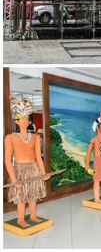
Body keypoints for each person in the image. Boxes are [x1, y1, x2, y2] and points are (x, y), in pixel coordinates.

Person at [4, 97, 51, 228]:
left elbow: (38, 157)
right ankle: (20, 219)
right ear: (17, 121)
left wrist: (43, 173)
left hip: (33, 168)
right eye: (21, 119)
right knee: (21, 196)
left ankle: (33, 215)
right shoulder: (10, 138)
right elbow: (7, 160)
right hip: (19, 169)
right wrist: (14, 179)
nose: (24, 121)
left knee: (33, 194)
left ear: (29, 121)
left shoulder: (35, 137)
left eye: (26, 119)